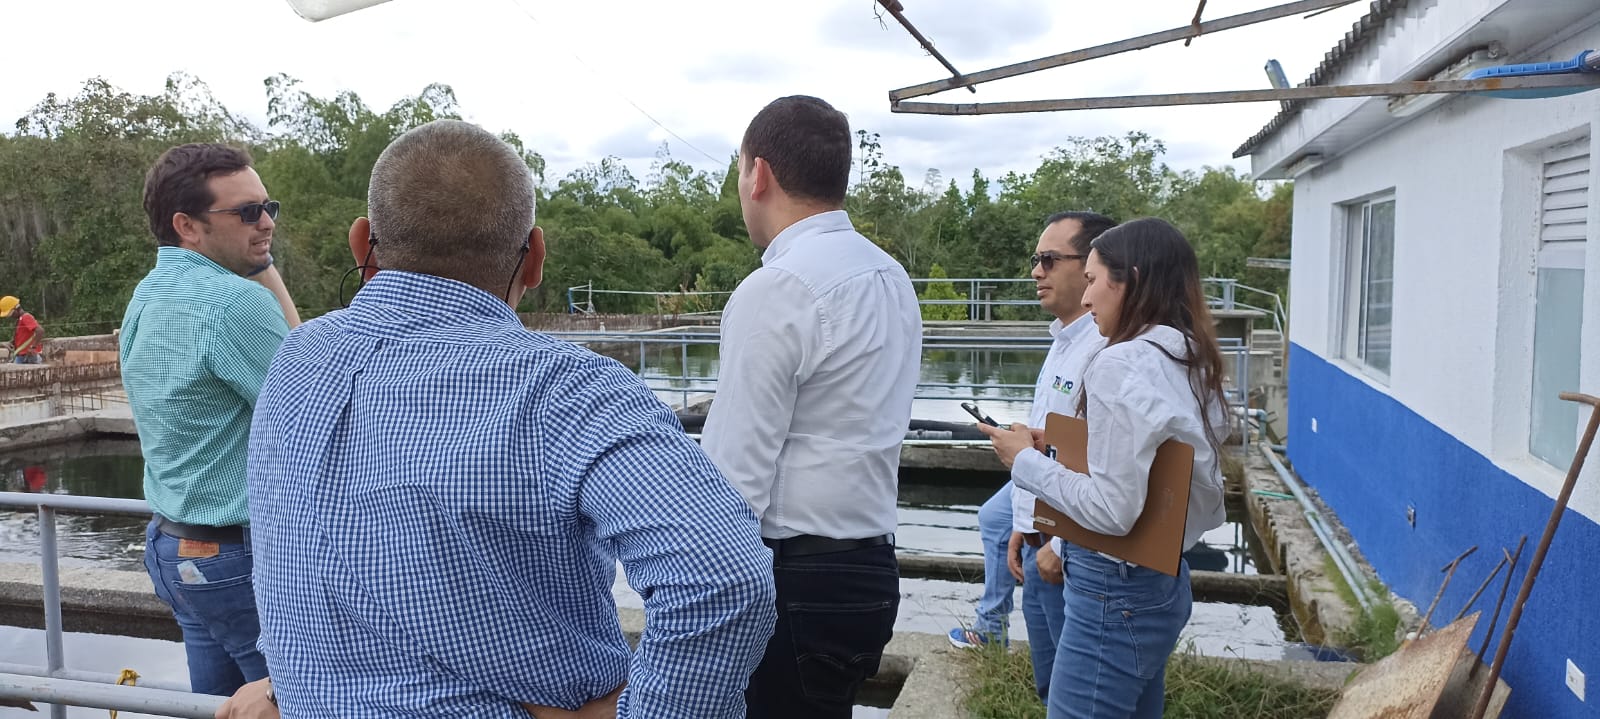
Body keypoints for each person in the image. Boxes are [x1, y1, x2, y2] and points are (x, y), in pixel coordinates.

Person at [227, 119, 775, 719]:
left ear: (362, 244)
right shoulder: (569, 391)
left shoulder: (299, 361)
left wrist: (282, 683)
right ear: (534, 258)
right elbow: (724, 579)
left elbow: (301, 557)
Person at [701, 95, 923, 719]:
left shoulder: (779, 287)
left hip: (796, 580)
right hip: (870, 568)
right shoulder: (891, 277)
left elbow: (732, 477)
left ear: (759, 174)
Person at [981, 217, 1229, 718]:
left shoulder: (1120, 362)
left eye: (1093, 281)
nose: (1088, 299)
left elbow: (1113, 511)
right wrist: (1063, 444)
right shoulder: (1186, 353)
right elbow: (1157, 456)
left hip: (1112, 585)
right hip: (1160, 577)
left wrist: (1024, 461)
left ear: (1129, 280)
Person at [121, 143, 299, 697]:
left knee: (217, 707)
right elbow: (312, 402)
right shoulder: (233, 306)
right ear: (188, 226)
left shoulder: (146, 297)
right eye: (246, 212)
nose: (266, 221)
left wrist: (259, 258)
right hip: (236, 560)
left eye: (268, 206)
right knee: (298, 700)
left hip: (173, 551)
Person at [949, 212, 1117, 704]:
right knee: (1052, 689)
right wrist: (1026, 521)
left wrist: (1059, 544)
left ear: (1091, 267)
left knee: (1076, 697)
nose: (1035, 272)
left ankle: (989, 626)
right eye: (1034, 260)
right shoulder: (1064, 341)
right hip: (1045, 535)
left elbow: (1107, 471)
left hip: (1070, 553)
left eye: (1048, 260)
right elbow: (1060, 448)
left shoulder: (1105, 350)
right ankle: (993, 624)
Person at [1, 296, 43, 364]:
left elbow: (40, 331)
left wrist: (33, 347)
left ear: (16, 309)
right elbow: (22, 337)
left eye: (10, 314)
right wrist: (10, 343)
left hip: (28, 357)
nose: (10, 317)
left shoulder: (26, 317)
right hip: (21, 355)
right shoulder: (20, 319)